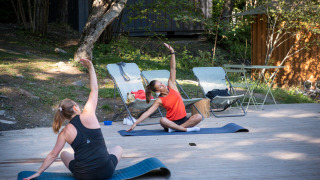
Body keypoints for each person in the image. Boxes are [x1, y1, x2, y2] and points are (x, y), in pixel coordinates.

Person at [24, 59, 122, 180]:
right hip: (106, 171)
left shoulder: (64, 133)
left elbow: (53, 155)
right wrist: (90, 67)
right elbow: (94, 89)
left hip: (84, 176)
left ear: (63, 115)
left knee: (64, 154)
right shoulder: (89, 114)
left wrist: (38, 172)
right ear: (75, 107)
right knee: (117, 148)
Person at [127, 43, 202, 133]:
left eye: (161, 83)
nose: (163, 85)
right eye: (160, 86)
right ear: (158, 90)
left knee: (199, 117)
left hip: (184, 120)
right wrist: (135, 123)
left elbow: (173, 69)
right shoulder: (159, 100)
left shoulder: (172, 86)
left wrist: (172, 53)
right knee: (162, 120)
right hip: (170, 122)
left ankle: (176, 129)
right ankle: (185, 129)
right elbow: (147, 113)